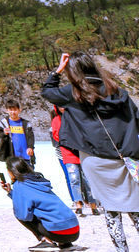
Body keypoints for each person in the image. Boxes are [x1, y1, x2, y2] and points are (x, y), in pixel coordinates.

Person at [43, 51, 139, 251]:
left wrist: (58, 71)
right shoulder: (118, 92)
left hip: (96, 159)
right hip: (127, 158)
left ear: (73, 71)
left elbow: (47, 92)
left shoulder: (74, 93)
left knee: (111, 210)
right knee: (136, 207)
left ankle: (122, 250)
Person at [1, 157, 81, 249]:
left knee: (20, 213)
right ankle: (65, 244)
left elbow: (23, 215)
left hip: (59, 233)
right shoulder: (39, 181)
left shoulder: (19, 185)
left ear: (11, 172)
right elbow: (34, 197)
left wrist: (14, 195)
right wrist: (11, 192)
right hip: (74, 231)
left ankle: (45, 240)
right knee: (44, 210)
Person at [52, 103, 102, 217]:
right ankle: (79, 204)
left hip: (82, 151)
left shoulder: (77, 117)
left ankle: (93, 204)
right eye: (60, 106)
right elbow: (56, 136)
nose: (63, 108)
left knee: (88, 179)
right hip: (68, 152)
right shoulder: (56, 120)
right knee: (74, 179)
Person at [0, 98, 37, 165]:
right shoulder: (4, 123)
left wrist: (30, 147)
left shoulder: (26, 123)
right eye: (10, 110)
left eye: (15, 110)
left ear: (19, 110)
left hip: (26, 155)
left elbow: (31, 137)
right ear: (7, 111)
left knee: (29, 174)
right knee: (14, 174)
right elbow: (0, 135)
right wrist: (4, 133)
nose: (13, 112)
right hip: (12, 156)